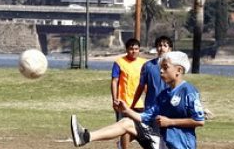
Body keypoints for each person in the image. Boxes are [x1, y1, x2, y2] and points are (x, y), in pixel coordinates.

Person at [71, 51, 206, 149]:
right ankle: (85, 137)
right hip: (163, 143)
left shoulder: (189, 91)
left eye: (165, 68)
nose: (161, 72)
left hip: (181, 145)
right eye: (160, 68)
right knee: (126, 122)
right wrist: (126, 110)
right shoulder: (164, 94)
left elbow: (199, 121)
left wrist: (170, 122)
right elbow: (145, 117)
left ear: (179, 70)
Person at [111, 38, 148, 148]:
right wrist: (114, 99)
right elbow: (115, 81)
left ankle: (121, 145)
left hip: (140, 103)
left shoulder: (144, 63)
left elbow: (146, 83)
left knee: (142, 129)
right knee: (124, 128)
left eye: (136, 49)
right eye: (131, 49)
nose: (134, 51)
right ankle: (124, 147)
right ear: (127, 49)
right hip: (124, 102)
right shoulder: (119, 62)